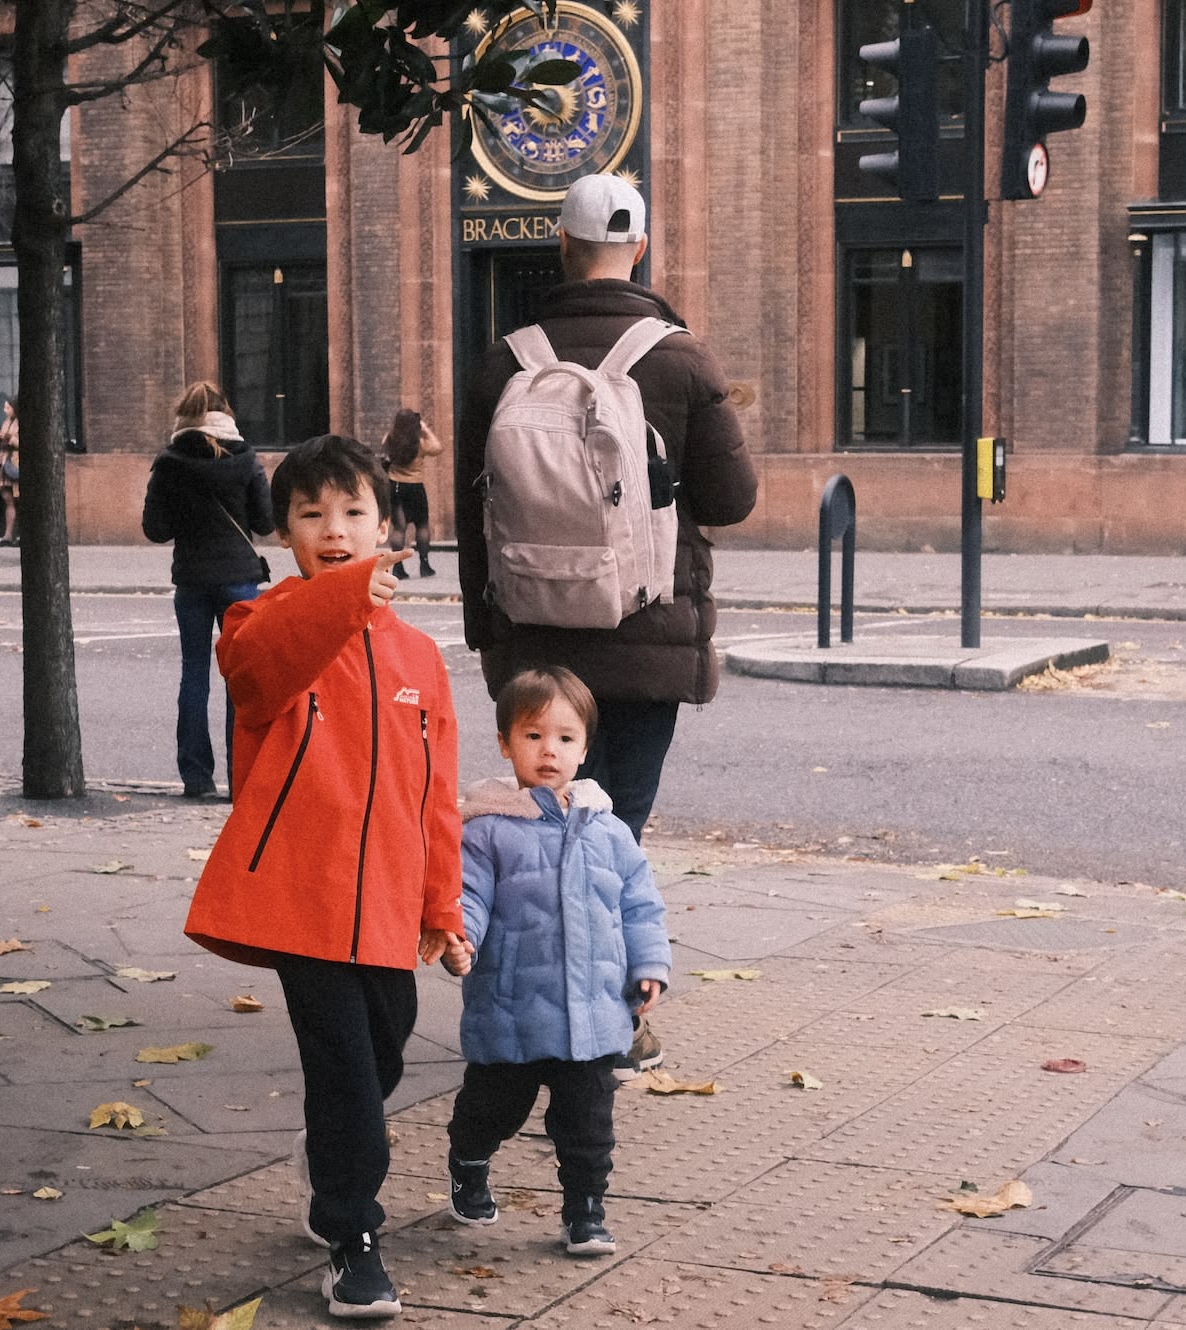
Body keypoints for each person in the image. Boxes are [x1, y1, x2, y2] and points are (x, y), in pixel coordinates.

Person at [456, 172, 756, 1076]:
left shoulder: (503, 360)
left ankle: (524, 1010)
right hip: (645, 643)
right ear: (640, 246)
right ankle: (618, 1023)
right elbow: (732, 501)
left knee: (529, 828)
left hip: (534, 646)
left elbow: (470, 516)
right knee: (614, 837)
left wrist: (488, 630)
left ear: (560, 247)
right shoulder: (680, 359)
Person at [182, 433, 463, 1320]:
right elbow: (264, 670)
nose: (333, 529)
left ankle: (334, 1147)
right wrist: (344, 595)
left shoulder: (420, 658)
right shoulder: (258, 621)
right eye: (312, 515)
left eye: (353, 514)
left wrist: (442, 905)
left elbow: (438, 798)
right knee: (344, 1065)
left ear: (389, 528)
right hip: (299, 898)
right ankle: (354, 1234)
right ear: (285, 532)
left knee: (386, 1041)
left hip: (383, 899)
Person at [441, 666, 669, 1257]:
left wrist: (648, 965)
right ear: (505, 744)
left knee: (588, 1125)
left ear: (585, 748)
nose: (549, 751)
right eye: (533, 735)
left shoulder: (609, 829)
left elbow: (640, 903)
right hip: (512, 1008)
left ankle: (585, 1209)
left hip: (594, 1016)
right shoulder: (487, 829)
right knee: (494, 1108)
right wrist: (459, 937)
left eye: (565, 739)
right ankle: (469, 1155)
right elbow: (468, 895)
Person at [141, 383, 275, 799]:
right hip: (239, 580)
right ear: (226, 415)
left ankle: (196, 778)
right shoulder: (246, 459)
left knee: (194, 675)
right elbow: (266, 522)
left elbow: (155, 529)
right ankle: (242, 779)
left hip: (192, 580)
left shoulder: (169, 464)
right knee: (240, 679)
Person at [382, 407, 441, 580]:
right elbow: (438, 448)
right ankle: (424, 565)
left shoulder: (389, 440)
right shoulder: (420, 444)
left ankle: (398, 567)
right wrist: (425, 429)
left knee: (399, 528)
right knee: (422, 525)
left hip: (396, 487)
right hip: (415, 488)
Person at [0, 399, 21, 547]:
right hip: (4, 463)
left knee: (21, 499)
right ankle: (8, 535)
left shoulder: (21, 422)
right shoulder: (7, 421)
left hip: (16, 463)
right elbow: (4, 439)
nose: (4, 410)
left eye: (7, 407)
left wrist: (7, 438)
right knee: (8, 499)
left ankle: (21, 535)